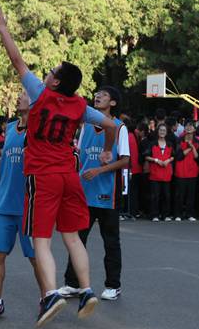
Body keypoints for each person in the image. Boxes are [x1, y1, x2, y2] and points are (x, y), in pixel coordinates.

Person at [0, 6, 118, 326]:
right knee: (72, 237)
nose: (46, 73)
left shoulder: (40, 94)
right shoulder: (80, 106)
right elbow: (111, 125)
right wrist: (106, 151)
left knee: (41, 239)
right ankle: (87, 290)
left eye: (51, 71)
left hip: (44, 176)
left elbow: (17, 60)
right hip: (69, 177)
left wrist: (3, 28)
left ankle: (50, 295)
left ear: (55, 81)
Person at [59, 85, 129, 302]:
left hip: (108, 194)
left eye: (104, 95)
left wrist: (99, 170)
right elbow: (79, 155)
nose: (98, 96)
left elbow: (126, 161)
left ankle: (113, 285)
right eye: (97, 94)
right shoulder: (86, 126)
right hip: (83, 193)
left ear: (113, 103)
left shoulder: (119, 128)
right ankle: (73, 283)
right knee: (77, 239)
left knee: (111, 242)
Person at [0, 91, 43, 321]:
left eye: (23, 95)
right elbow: (8, 156)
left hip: (29, 205)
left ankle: (46, 299)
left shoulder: (39, 130)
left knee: (36, 258)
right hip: (3, 204)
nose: (18, 98)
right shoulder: (9, 127)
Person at [173, 121, 199, 222]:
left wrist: (192, 147)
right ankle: (178, 214)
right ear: (184, 128)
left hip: (193, 172)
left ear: (194, 129)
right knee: (179, 195)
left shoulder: (198, 142)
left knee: (191, 195)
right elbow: (178, 156)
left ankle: (189, 214)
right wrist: (189, 148)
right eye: (187, 126)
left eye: (191, 126)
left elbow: (198, 157)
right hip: (180, 171)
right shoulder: (178, 141)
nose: (189, 127)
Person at [145, 124, 175, 222]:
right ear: (157, 132)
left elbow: (174, 156)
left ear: (166, 132)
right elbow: (146, 156)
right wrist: (156, 160)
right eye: (160, 130)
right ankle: (155, 215)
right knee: (155, 196)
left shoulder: (170, 144)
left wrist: (168, 160)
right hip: (155, 173)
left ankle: (165, 215)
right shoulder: (152, 144)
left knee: (166, 196)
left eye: (164, 130)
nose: (162, 132)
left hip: (166, 173)